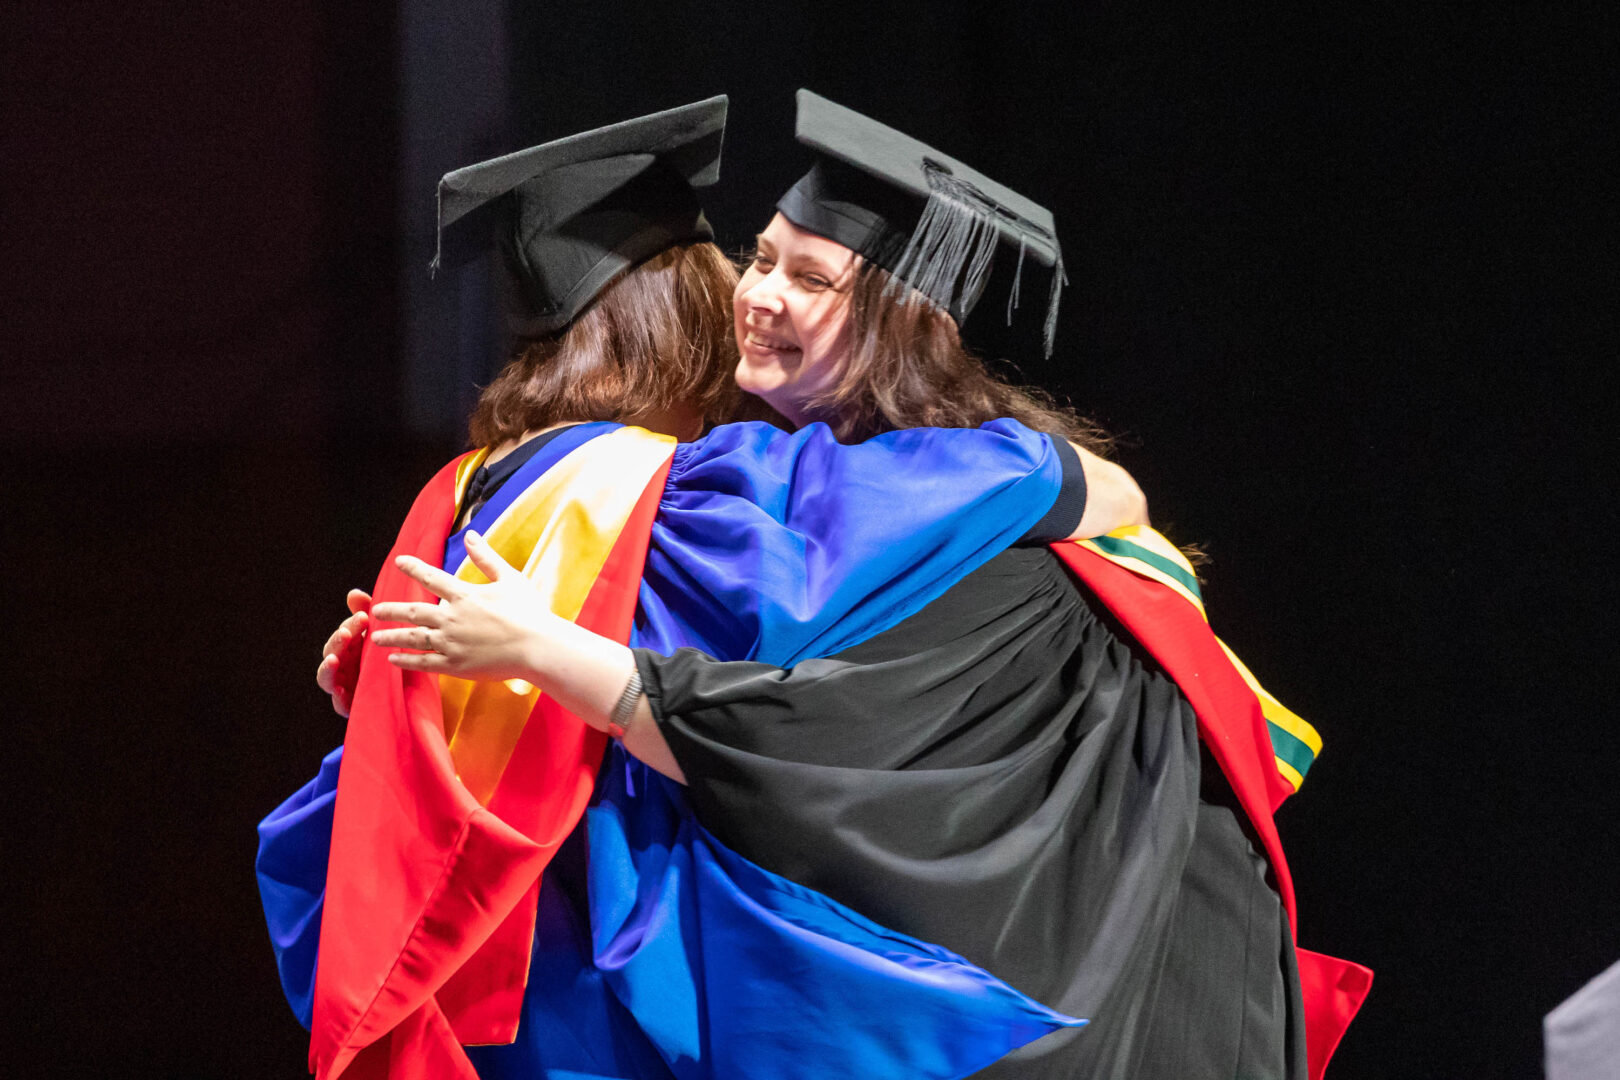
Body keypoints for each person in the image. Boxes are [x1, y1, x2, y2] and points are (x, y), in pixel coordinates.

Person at [368, 91, 1372, 1079]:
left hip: (1062, 996)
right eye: (758, 258)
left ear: (902, 320)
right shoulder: (851, 484)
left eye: (808, 276)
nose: (758, 295)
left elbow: (797, 749)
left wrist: (540, 653)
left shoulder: (948, 522)